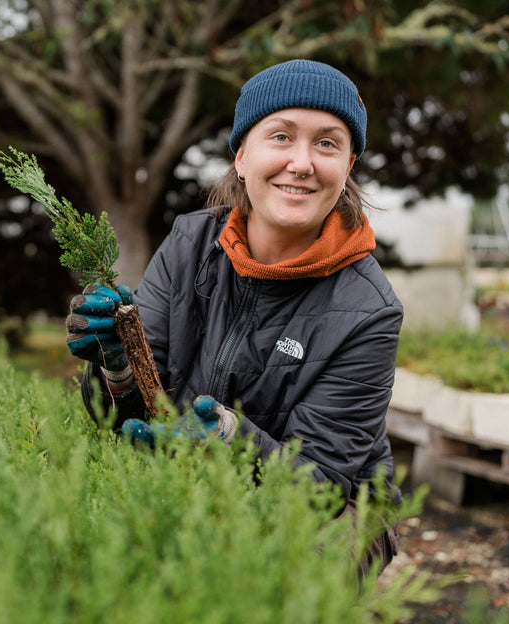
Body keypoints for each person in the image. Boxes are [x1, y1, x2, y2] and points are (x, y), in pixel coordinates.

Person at [65, 59, 401, 576]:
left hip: (337, 510)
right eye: (281, 136)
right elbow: (132, 414)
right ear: (242, 155)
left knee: (270, 586)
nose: (303, 162)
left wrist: (228, 435)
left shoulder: (367, 311)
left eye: (328, 143)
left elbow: (322, 485)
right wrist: (116, 367)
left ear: (348, 165)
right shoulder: (188, 244)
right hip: (196, 475)